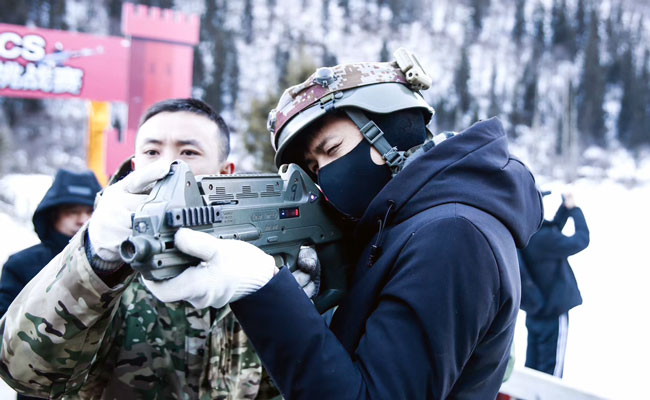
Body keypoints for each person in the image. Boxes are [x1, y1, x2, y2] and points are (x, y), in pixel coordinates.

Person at [142, 53, 545, 398]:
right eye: (314, 167)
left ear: (391, 130)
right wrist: (314, 305)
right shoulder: (407, 227)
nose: (326, 178)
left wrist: (263, 289)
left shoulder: (452, 234)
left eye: (332, 149)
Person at [0, 98, 315, 399]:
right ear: (135, 165)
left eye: (189, 152)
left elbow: (295, 381)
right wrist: (96, 263)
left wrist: (291, 303)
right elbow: (24, 371)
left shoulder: (253, 264)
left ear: (225, 172)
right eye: (152, 152)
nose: (168, 165)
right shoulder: (107, 264)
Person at [0, 168, 100, 400]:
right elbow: (5, 333)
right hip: (39, 392)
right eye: (72, 211)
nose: (82, 219)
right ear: (54, 214)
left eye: (90, 211)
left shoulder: (117, 267)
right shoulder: (21, 265)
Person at [519, 192, 590, 378]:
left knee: (532, 368)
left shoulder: (524, 235)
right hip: (553, 314)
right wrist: (575, 210)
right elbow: (581, 240)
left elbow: (553, 229)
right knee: (552, 374)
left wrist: (564, 209)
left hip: (534, 312)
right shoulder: (546, 239)